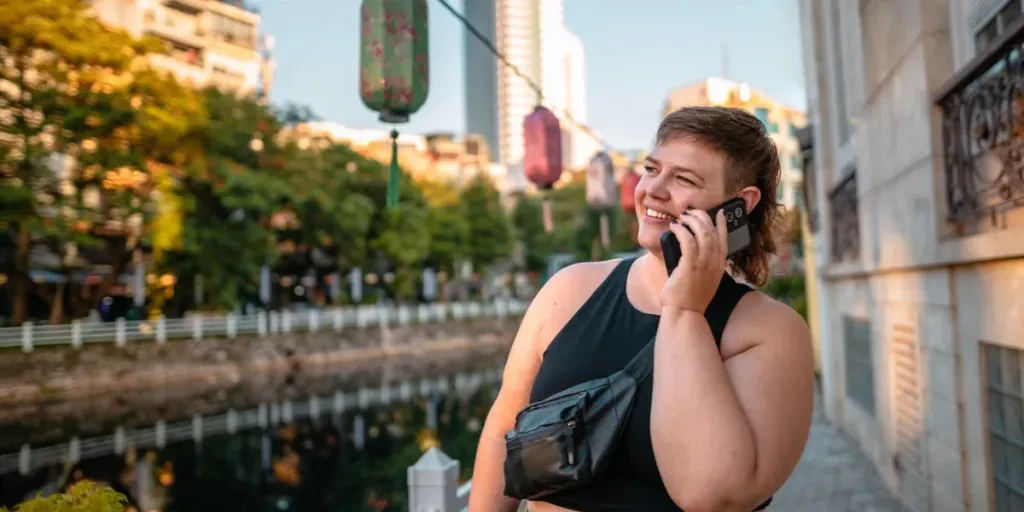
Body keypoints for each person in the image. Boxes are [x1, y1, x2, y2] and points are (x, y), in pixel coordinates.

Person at [468, 106, 815, 512]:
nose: (654, 189)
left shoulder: (769, 331)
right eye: (652, 169)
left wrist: (684, 310)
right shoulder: (569, 290)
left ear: (739, 205)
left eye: (684, 178)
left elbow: (712, 494)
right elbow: (502, 429)